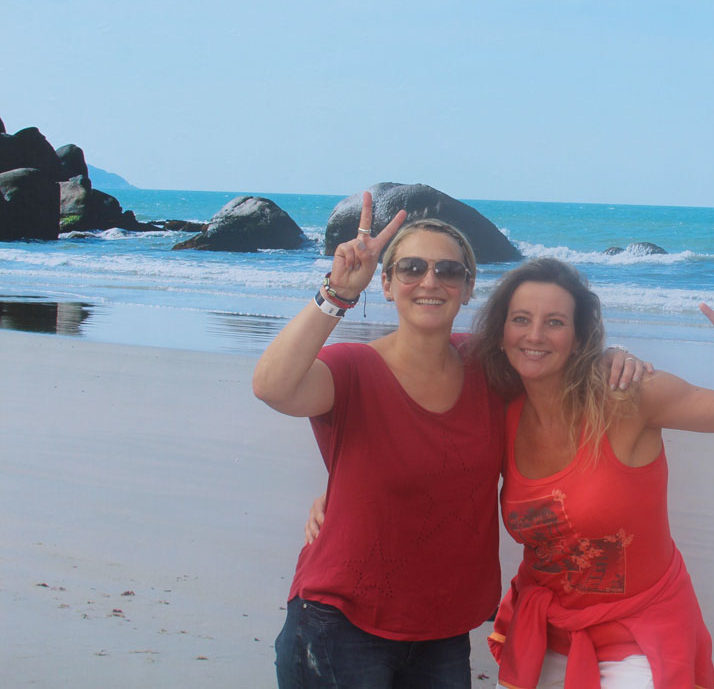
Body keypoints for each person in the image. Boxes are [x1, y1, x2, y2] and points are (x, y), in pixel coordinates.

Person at [253, 194, 646, 689]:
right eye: (412, 267)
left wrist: (612, 355)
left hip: (441, 629)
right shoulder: (351, 369)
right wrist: (338, 292)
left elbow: (549, 352)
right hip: (340, 624)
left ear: (468, 288)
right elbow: (272, 387)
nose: (430, 281)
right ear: (387, 283)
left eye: (449, 271)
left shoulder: (489, 369)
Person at [473, 258, 714, 689]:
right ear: (501, 332)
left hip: (639, 634)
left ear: (579, 337)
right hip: (546, 631)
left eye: (555, 322)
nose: (535, 335)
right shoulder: (500, 411)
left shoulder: (628, 396)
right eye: (521, 319)